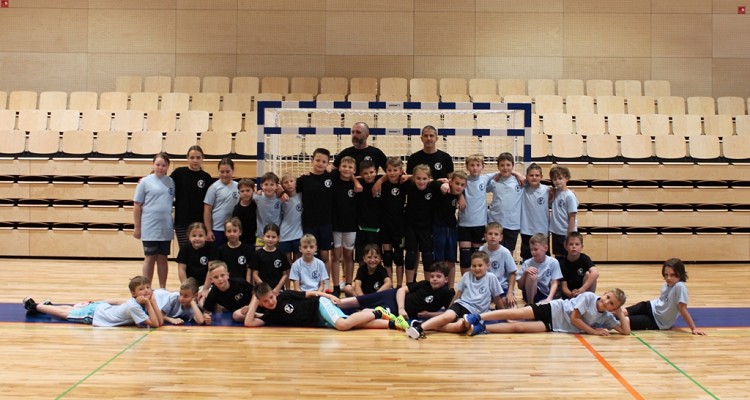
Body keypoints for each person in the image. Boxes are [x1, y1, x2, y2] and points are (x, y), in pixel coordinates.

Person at [405, 251, 502, 340]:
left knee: (459, 327)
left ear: (487, 266)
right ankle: (419, 329)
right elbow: (458, 295)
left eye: (480, 265)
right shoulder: (467, 276)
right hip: (460, 304)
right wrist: (450, 308)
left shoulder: (491, 278)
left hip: (474, 312)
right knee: (446, 317)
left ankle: (424, 325)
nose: (477, 268)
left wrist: (504, 314)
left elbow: (497, 298)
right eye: (474, 266)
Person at [462, 289, 630, 336]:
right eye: (608, 297)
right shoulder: (589, 297)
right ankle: (477, 316)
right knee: (515, 314)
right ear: (605, 293)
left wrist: (620, 313)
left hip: (556, 325)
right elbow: (575, 319)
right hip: (553, 309)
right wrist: (593, 332)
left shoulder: (607, 317)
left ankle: (482, 328)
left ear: (613, 308)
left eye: (611, 304)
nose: (606, 302)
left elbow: (625, 331)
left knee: (519, 328)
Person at [338, 262, 455, 329]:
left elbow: (450, 313)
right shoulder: (425, 283)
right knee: (360, 300)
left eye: (438, 277)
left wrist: (429, 314)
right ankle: (332, 302)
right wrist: (401, 308)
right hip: (393, 297)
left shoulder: (447, 293)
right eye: (432, 276)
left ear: (446, 279)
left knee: (370, 313)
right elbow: (401, 290)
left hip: (393, 310)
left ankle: (345, 319)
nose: (434, 279)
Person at [244, 283, 402, 331]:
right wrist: (255, 300)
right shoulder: (269, 316)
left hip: (319, 305)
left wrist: (329, 296)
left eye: (271, 297)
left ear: (274, 293)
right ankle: (392, 323)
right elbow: (249, 322)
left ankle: (377, 312)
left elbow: (310, 294)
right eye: (265, 301)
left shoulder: (284, 295)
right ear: (261, 303)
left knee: (343, 325)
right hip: (319, 321)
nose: (271, 302)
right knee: (355, 324)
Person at [23, 276, 160, 328]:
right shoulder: (134, 306)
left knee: (72, 310)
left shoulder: (140, 301)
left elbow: (159, 321)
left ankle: (48, 307)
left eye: (148, 287)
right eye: (141, 289)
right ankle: (34, 306)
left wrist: (153, 301)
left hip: (102, 308)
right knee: (66, 314)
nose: (146, 291)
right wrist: (150, 303)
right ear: (133, 293)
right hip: (96, 314)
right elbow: (155, 324)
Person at [624, 258, 705, 335]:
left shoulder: (680, 286)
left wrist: (694, 328)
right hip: (650, 306)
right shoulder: (667, 284)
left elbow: (682, 308)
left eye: (672, 275)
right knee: (623, 312)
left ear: (680, 274)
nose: (668, 278)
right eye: (666, 275)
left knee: (625, 321)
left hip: (657, 322)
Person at [296, 148, 335, 294]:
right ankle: (309, 284)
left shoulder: (331, 178)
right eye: (317, 160)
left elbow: (349, 174)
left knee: (325, 256)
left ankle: (326, 285)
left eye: (324, 161)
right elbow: (287, 187)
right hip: (309, 224)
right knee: (309, 255)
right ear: (312, 160)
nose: (320, 163)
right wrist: (281, 193)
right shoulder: (304, 179)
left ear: (328, 163)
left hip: (325, 224)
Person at [133, 152, 175, 288]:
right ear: (153, 165)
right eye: (158, 164)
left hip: (165, 227)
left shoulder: (171, 182)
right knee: (150, 257)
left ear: (168, 166)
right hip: (149, 226)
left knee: (163, 258)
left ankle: (162, 288)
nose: (160, 168)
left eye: (163, 165)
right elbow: (137, 205)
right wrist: (137, 227)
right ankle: (147, 288)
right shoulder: (145, 182)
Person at [403, 164, 441, 284]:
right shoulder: (408, 186)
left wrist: (445, 183)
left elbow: (447, 183)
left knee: (427, 256)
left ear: (429, 178)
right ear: (413, 178)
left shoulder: (434, 186)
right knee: (410, 254)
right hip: (411, 226)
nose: (421, 181)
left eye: (424, 178)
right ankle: (409, 284)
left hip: (427, 227)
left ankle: (428, 284)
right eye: (418, 178)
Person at [457, 154, 493, 278]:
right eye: (472, 165)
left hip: (479, 224)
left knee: (477, 257)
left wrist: (518, 174)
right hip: (464, 224)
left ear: (483, 166)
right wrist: (460, 196)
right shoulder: (463, 180)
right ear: (467, 167)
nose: (475, 168)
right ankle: (466, 283)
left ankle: (478, 281)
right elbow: (450, 182)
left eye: (478, 165)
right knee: (465, 256)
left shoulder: (485, 178)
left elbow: (502, 173)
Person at [171, 145, 212, 248]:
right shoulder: (178, 173)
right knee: (184, 249)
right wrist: (149, 178)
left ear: (203, 158)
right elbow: (164, 183)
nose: (195, 160)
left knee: (198, 250)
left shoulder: (206, 177)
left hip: (199, 222)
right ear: (187, 158)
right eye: (192, 157)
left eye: (198, 157)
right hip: (182, 221)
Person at [432, 171, 467, 287]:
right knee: (439, 260)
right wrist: (444, 182)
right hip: (439, 228)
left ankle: (450, 288)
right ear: (451, 182)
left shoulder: (457, 195)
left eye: (462, 185)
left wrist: (460, 195)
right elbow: (432, 183)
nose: (459, 187)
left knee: (451, 260)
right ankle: (439, 286)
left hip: (452, 228)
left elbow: (462, 203)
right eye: (457, 183)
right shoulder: (442, 189)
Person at [331, 156, 361, 293]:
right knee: (336, 257)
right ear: (339, 168)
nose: (346, 169)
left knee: (348, 256)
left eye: (350, 167)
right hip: (335, 225)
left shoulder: (356, 186)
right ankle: (336, 286)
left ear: (354, 170)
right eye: (344, 166)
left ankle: (348, 284)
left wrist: (355, 180)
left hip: (350, 226)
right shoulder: (333, 181)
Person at [486, 152, 524, 254]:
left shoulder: (520, 181)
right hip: (495, 222)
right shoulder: (494, 181)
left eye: (508, 165)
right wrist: (495, 174)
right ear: (498, 167)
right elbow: (481, 185)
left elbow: (533, 181)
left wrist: (517, 174)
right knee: (494, 251)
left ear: (513, 166)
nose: (505, 168)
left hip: (512, 224)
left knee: (508, 253)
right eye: (502, 165)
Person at [379, 157, 407, 288]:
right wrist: (379, 181)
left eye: (395, 170)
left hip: (399, 225)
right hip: (385, 224)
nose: (392, 173)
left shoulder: (404, 183)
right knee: (387, 257)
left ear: (401, 171)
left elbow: (423, 178)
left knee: (399, 256)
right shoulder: (382, 183)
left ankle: (399, 285)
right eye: (389, 170)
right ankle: (389, 284)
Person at [479, 222, 517, 308]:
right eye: (490, 234)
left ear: (501, 237)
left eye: (496, 234)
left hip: (502, 287)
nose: (493, 236)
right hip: (486, 286)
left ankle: (500, 305)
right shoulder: (481, 250)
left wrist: (510, 292)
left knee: (511, 308)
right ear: (485, 236)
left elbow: (513, 273)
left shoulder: (505, 252)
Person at [176, 222, 217, 303]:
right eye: (194, 236)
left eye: (200, 236)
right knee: (182, 301)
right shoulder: (184, 248)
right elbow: (181, 269)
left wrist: (205, 289)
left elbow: (211, 270)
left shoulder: (211, 247)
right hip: (191, 285)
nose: (197, 238)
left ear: (206, 236)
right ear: (189, 236)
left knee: (203, 302)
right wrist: (186, 288)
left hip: (207, 284)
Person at [203, 157, 239, 248]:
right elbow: (207, 210)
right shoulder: (214, 187)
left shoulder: (238, 186)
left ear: (233, 171)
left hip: (233, 229)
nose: (224, 174)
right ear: (218, 171)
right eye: (222, 172)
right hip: (218, 229)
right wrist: (208, 230)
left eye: (227, 171)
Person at [518, 233, 562, 306]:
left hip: (545, 294)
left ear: (546, 248)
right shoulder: (527, 263)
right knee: (531, 275)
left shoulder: (553, 262)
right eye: (531, 250)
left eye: (536, 249)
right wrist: (525, 273)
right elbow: (520, 286)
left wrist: (549, 299)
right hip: (529, 294)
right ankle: (530, 304)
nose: (533, 252)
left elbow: (554, 283)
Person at [520, 163, 551, 261]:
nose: (534, 177)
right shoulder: (522, 189)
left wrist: (571, 192)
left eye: (537, 175)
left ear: (541, 176)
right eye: (531, 175)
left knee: (544, 258)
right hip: (527, 230)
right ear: (526, 176)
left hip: (543, 230)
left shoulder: (548, 190)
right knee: (527, 257)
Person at [249, 223, 291, 295]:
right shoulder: (257, 254)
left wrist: (277, 288)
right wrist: (265, 288)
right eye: (268, 236)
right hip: (262, 290)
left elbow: (285, 275)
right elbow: (255, 275)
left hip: (277, 291)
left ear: (278, 238)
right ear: (263, 236)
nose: (270, 239)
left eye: (273, 237)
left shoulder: (281, 254)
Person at [354, 160, 381, 266]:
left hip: (377, 228)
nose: (369, 175)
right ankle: (362, 275)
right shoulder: (358, 184)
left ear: (376, 171)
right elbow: (348, 175)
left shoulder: (381, 181)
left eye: (371, 172)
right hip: (361, 227)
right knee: (362, 257)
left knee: (376, 257)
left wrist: (380, 180)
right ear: (361, 174)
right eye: (365, 173)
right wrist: (355, 180)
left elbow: (393, 175)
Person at [549, 166, 578, 258]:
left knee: (568, 257)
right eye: (554, 179)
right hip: (556, 232)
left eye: (560, 178)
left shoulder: (569, 196)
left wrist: (569, 235)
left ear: (566, 178)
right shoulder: (554, 192)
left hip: (565, 232)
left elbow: (572, 216)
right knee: (558, 256)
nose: (557, 181)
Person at [558, 232, 599, 299]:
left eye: (577, 244)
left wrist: (582, 290)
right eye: (571, 244)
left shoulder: (584, 258)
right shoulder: (562, 263)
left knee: (589, 274)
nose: (574, 246)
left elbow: (595, 273)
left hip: (583, 292)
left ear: (581, 247)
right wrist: (572, 295)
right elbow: (564, 287)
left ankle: (589, 299)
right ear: (566, 247)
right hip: (569, 296)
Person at [278, 172, 303, 265]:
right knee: (287, 263)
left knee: (298, 262)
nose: (289, 184)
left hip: (299, 234)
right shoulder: (281, 199)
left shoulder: (302, 196)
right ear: (282, 185)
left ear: (296, 183)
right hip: (284, 234)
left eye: (291, 181)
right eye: (286, 182)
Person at [253, 172, 282, 247]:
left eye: (272, 185)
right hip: (261, 235)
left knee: (275, 254)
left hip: (275, 236)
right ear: (261, 186)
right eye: (266, 184)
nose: (269, 187)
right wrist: (255, 192)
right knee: (259, 254)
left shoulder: (280, 198)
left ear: (277, 186)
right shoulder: (257, 197)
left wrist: (283, 192)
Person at [231, 178, 257, 246]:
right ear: (239, 193)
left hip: (254, 239)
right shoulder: (237, 209)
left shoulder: (256, 205)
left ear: (253, 191)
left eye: (248, 190)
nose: (245, 193)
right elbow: (235, 225)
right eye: (242, 191)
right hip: (241, 240)